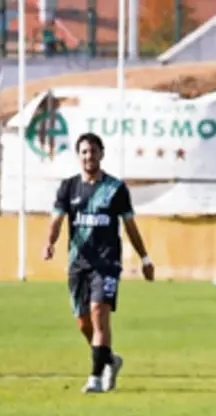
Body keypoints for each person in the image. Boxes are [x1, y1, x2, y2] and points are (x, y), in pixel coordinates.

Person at [44, 132, 155, 393]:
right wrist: (49, 242)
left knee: (98, 312)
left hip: (106, 264)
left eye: (93, 151)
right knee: (84, 322)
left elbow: (130, 226)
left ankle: (95, 377)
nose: (88, 156)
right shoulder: (68, 187)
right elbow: (57, 220)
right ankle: (110, 360)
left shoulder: (115, 189)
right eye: (84, 152)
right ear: (78, 155)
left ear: (101, 154)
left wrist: (145, 258)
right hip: (78, 263)